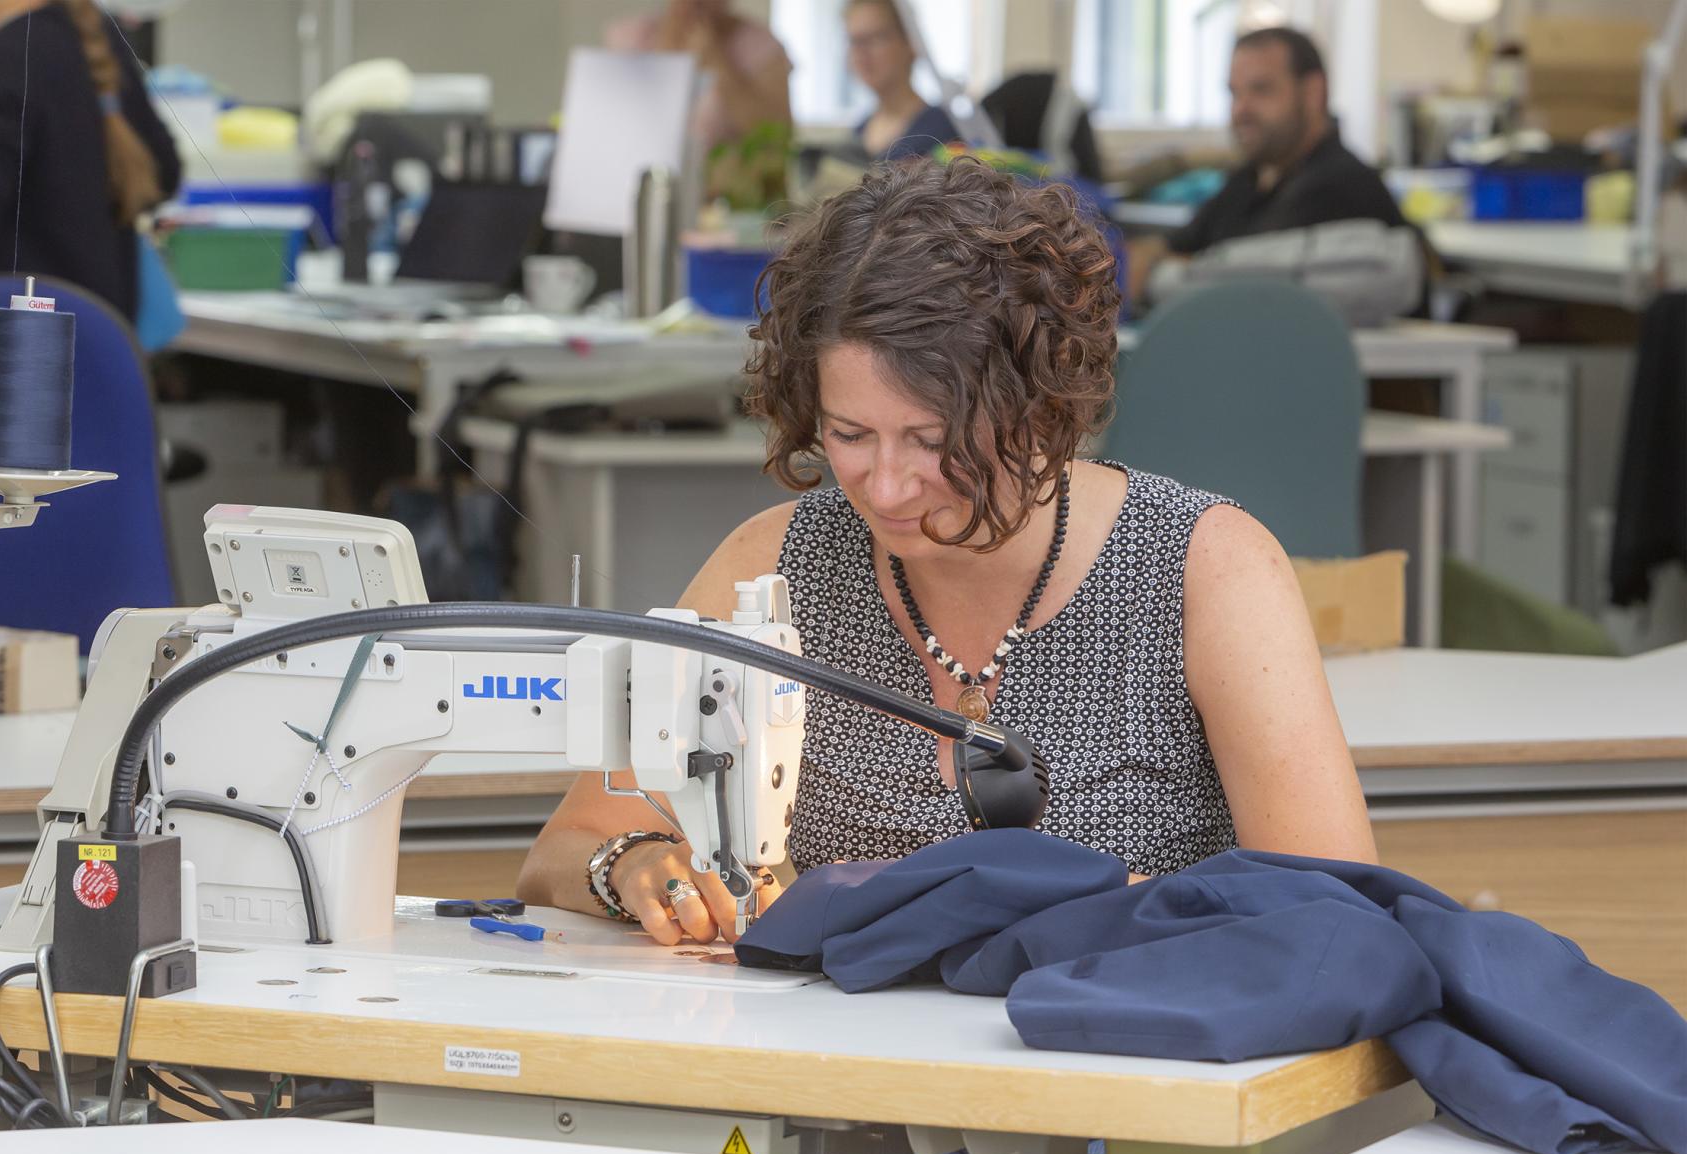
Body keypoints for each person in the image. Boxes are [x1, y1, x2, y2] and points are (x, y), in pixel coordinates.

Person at [517, 157, 1378, 945]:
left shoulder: (1204, 570)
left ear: (1042, 407)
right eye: (850, 433)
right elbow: (567, 845)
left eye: (932, 440)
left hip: (1129, 1068)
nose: (884, 488)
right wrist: (630, 862)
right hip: (847, 1070)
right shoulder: (776, 567)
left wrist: (1036, 900)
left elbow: (1342, 915)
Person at [0, 0, 180, 322]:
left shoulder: (2, 60)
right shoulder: (90, 36)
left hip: (19, 351)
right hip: (92, 342)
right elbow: (163, 173)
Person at [1127, 26, 1406, 304]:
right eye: (1234, 93)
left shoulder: (1343, 185)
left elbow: (1231, 276)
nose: (1240, 110)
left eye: (1261, 90)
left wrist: (1168, 264)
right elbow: (1175, 246)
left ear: (1313, 92)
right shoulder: (1249, 178)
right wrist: (1156, 255)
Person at [606, 0, 793, 152]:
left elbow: (778, 135)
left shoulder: (761, 46)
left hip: (731, 192)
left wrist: (718, 63)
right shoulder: (630, 38)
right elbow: (614, 130)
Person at [845, 0, 957, 160]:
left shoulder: (941, 131)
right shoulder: (858, 132)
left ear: (910, 42)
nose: (861, 53)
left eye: (875, 38)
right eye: (855, 41)